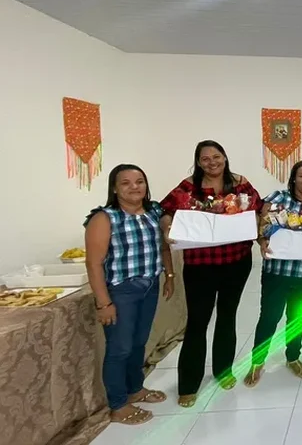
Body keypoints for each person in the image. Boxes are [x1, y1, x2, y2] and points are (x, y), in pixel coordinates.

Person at [160, 140, 262, 408]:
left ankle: (223, 370)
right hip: (199, 265)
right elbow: (164, 210)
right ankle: (189, 384)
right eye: (205, 159)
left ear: (225, 158)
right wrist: (167, 226)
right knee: (197, 322)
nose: (212, 162)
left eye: (216, 157)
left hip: (236, 262)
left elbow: (260, 208)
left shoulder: (240, 183)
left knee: (228, 317)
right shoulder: (187, 186)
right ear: (198, 162)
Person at [84, 164, 175, 425]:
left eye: (140, 181)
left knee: (139, 343)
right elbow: (93, 263)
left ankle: (136, 388)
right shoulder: (105, 218)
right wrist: (104, 303)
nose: (134, 187)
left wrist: (169, 276)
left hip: (149, 286)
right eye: (126, 183)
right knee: (119, 348)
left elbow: (164, 248)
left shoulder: (154, 212)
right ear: (115, 188)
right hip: (121, 291)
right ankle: (118, 404)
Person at [245, 160, 302, 385]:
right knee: (269, 317)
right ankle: (257, 362)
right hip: (278, 270)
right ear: (293, 178)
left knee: (297, 318)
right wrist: (263, 240)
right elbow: (263, 226)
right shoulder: (279, 198)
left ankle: (293, 357)